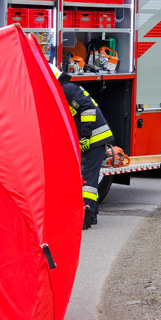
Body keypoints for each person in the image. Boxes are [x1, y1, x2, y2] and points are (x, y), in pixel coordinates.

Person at [50, 63, 113, 228]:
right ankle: (90, 215)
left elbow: (88, 109)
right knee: (86, 177)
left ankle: (87, 217)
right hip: (92, 138)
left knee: (87, 179)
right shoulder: (63, 90)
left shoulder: (68, 89)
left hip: (94, 138)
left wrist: (85, 136)